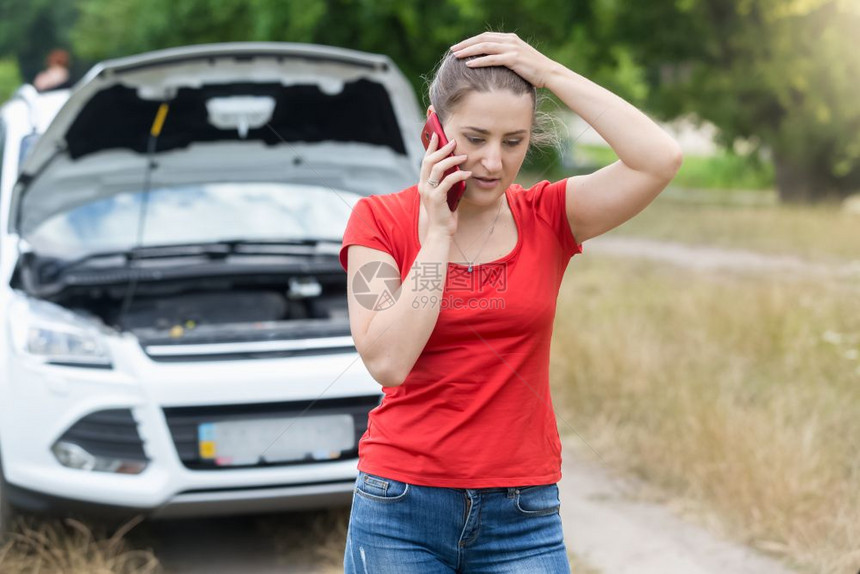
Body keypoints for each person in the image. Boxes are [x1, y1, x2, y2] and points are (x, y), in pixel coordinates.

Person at [339, 32, 683, 573]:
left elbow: (659, 159)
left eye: (513, 141)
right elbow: (388, 360)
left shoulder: (549, 215)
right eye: (474, 138)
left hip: (522, 513)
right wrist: (435, 235)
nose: (493, 163)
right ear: (434, 128)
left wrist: (549, 73)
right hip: (399, 508)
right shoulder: (377, 221)